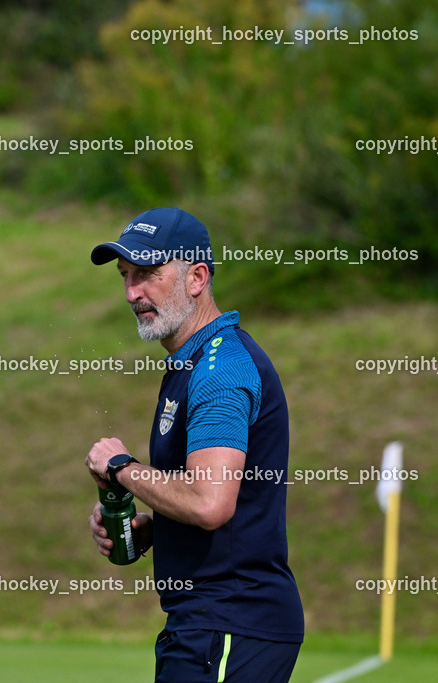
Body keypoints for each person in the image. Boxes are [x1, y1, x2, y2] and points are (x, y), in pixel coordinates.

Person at [84, 207, 304, 682]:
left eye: (147, 274)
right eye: (125, 276)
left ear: (197, 277)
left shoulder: (218, 369)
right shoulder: (197, 362)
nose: (131, 293)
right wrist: (156, 530)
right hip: (213, 625)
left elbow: (209, 503)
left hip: (230, 622)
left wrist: (122, 466)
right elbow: (215, 506)